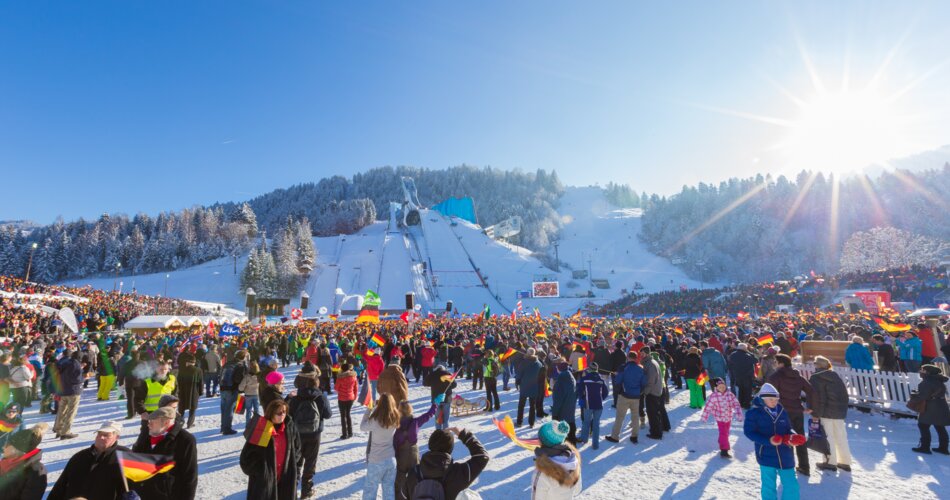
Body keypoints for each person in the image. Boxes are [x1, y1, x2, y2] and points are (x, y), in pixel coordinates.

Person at [743, 383, 803, 500]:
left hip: (785, 454)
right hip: (766, 454)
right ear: (763, 398)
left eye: (776, 399)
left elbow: (788, 427)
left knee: (792, 485)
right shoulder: (754, 413)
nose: (774, 402)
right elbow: (749, 432)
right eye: (771, 399)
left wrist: (792, 436)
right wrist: (768, 440)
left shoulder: (781, 410)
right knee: (769, 486)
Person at [401, 426, 489, 500]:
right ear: (450, 448)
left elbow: (405, 494)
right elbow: (482, 456)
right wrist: (463, 435)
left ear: (430, 445)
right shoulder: (458, 473)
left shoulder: (413, 472)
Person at [48, 421, 128, 500]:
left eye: (106, 435)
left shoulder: (125, 456)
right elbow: (61, 485)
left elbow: (136, 485)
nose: (101, 437)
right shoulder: (80, 457)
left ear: (117, 437)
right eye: (99, 434)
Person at [131, 406, 199, 500]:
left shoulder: (185, 440)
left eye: (152, 422)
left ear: (166, 422)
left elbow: (190, 476)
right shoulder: (147, 435)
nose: (148, 425)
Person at [240, 400, 302, 500]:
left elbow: (298, 452)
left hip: (286, 482)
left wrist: (295, 474)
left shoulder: (290, 427)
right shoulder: (261, 429)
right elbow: (246, 460)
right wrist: (263, 473)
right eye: (279, 413)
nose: (282, 415)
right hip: (264, 486)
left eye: (284, 412)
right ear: (271, 413)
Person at [287, 368, 332, 498]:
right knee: (311, 462)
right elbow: (328, 414)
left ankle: (293, 490)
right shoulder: (321, 397)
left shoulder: (296, 397)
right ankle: (306, 490)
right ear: (317, 384)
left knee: (297, 461)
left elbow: (289, 414)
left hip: (297, 434)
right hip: (315, 433)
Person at [768, 354, 813, 476]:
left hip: (782, 412)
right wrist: (810, 407)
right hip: (797, 411)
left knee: (785, 439)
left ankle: (787, 466)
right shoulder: (798, 376)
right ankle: (804, 466)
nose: (774, 364)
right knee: (799, 437)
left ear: (781, 363)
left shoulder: (775, 377)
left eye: (776, 362)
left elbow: (769, 395)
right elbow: (811, 391)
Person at [394, 394, 444, 500]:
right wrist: (435, 403)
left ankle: (400, 497)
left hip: (401, 455)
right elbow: (429, 414)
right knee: (415, 477)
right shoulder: (416, 422)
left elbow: (394, 443)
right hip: (413, 453)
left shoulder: (396, 424)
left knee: (400, 478)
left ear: (400, 410)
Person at [808, 356, 851, 471]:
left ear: (817, 365)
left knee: (827, 437)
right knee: (841, 436)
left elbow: (818, 398)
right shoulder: (835, 376)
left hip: (825, 411)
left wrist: (815, 413)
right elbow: (844, 395)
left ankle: (830, 462)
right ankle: (845, 461)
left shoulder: (816, 378)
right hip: (839, 411)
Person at [361, 393, 400, 500]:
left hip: (376, 461)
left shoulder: (375, 420)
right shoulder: (395, 417)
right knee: (388, 490)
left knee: (370, 490)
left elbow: (362, 426)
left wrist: (369, 409)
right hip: (391, 460)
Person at [531, 420, 582, 499]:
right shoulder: (573, 461)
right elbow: (577, 490)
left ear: (545, 442)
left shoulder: (543, 471)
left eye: (540, 438)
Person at [606, 351, 645, 444]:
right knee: (635, 417)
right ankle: (634, 436)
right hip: (636, 396)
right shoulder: (641, 369)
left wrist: (617, 375)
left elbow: (618, 381)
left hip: (624, 395)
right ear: (636, 358)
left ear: (628, 357)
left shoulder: (623, 368)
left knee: (620, 417)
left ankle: (615, 436)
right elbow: (644, 382)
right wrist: (639, 391)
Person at [0, 423, 47, 499]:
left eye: (7, 445)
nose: (3, 447)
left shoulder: (36, 472)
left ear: (15, 450)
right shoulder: (6, 463)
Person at [700, 378, 743, 458]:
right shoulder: (714, 396)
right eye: (720, 387)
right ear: (716, 388)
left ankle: (721, 441)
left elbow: (736, 404)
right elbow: (708, 407)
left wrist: (738, 414)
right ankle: (724, 450)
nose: (722, 389)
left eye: (723, 387)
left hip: (728, 417)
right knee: (724, 433)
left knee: (726, 432)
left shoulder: (730, 394)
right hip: (720, 418)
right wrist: (704, 417)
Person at [913, 364, 950, 454]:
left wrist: (914, 398)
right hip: (941, 405)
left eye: (923, 370)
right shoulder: (939, 381)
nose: (920, 372)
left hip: (931, 407)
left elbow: (923, 396)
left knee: (923, 425)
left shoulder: (926, 382)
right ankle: (943, 448)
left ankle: (925, 447)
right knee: (939, 426)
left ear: (928, 372)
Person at [576, 362, 608, 449]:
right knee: (596, 424)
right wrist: (601, 398)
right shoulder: (601, 380)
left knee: (586, 422)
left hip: (588, 404)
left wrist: (582, 398)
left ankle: (584, 439)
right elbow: (606, 392)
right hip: (598, 405)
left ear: (589, 369)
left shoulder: (584, 379)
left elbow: (579, 391)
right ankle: (595, 444)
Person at [54, 350, 83, 440]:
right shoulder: (76, 364)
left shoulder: (65, 363)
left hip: (63, 391)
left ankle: (58, 429)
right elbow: (76, 380)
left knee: (62, 410)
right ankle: (65, 432)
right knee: (71, 412)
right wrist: (84, 378)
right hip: (73, 391)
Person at [220, 350, 249, 435]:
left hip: (223, 388)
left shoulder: (228, 363)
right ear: (243, 357)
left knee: (224, 408)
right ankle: (227, 429)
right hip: (232, 389)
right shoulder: (240, 365)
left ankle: (223, 426)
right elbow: (238, 379)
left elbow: (221, 373)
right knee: (229, 409)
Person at [640, 346, 665, 440]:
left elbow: (650, 381)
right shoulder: (650, 362)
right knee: (654, 413)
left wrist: (645, 392)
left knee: (652, 413)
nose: (641, 355)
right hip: (655, 390)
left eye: (642, 354)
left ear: (646, 353)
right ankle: (656, 430)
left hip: (653, 392)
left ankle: (656, 433)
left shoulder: (650, 364)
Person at [515, 349, 543, 428]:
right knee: (532, 406)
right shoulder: (539, 363)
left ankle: (519, 422)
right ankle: (531, 423)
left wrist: (517, 382)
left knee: (521, 405)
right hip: (534, 387)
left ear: (527, 353)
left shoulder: (524, 362)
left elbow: (519, 374)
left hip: (524, 386)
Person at [424, 364, 458, 431]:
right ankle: (446, 433)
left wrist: (433, 384)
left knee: (437, 418)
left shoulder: (432, 374)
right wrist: (448, 386)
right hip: (447, 398)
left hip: (436, 399)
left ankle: (438, 432)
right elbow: (454, 384)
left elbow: (425, 383)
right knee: (446, 419)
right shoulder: (447, 373)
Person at [551, 360, 577, 445]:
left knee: (562, 431)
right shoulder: (571, 377)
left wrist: (555, 414)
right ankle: (573, 445)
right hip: (571, 407)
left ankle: (565, 448)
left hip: (562, 410)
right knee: (571, 426)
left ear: (559, 369)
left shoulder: (561, 380)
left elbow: (558, 400)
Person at [176, 354, 203, 428]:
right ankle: (190, 423)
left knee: (181, 409)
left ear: (187, 362)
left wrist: (177, 392)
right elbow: (201, 383)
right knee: (193, 409)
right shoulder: (198, 370)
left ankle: (180, 423)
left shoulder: (181, 370)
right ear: (194, 362)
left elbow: (178, 382)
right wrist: (201, 392)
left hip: (182, 392)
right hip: (194, 392)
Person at [728, 343, 757, 409]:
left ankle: (740, 403)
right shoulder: (747, 355)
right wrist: (749, 352)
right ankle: (746, 404)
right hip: (747, 376)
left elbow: (729, 365)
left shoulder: (733, 355)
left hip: (737, 375)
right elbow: (755, 360)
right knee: (747, 390)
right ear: (745, 348)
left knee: (741, 389)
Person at [335, 362, 358, 439]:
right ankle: (350, 432)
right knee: (348, 414)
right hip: (350, 397)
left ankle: (345, 434)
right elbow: (356, 388)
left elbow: (336, 388)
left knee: (343, 416)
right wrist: (355, 396)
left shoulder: (340, 378)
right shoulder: (354, 377)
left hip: (342, 398)